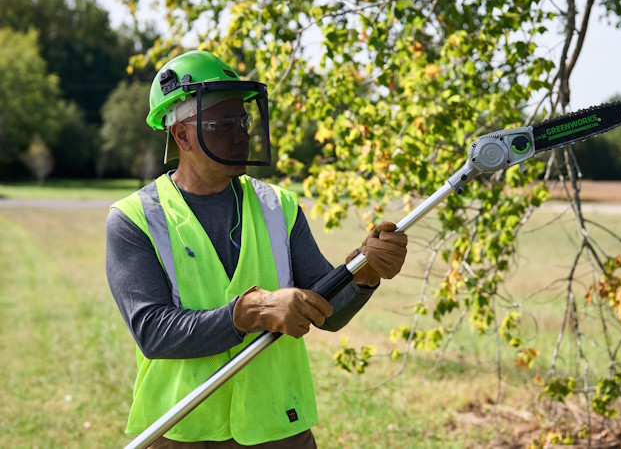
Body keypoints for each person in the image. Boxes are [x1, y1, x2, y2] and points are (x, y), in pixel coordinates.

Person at [105, 50, 408, 448]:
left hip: (278, 428)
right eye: (223, 123)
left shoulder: (278, 206)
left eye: (243, 120)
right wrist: (251, 312)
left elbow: (326, 312)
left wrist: (364, 273)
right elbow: (155, 332)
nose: (242, 133)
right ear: (181, 135)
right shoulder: (134, 218)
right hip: (181, 429)